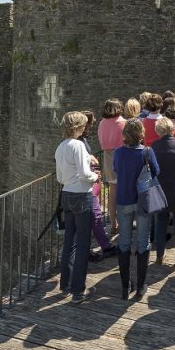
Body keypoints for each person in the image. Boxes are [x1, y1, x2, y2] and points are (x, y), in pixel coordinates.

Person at [55, 111, 98, 304]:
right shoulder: (78, 145)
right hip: (81, 195)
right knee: (82, 244)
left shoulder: (61, 147)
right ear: (78, 127)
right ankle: (78, 291)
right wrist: (96, 176)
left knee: (69, 242)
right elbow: (84, 174)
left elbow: (60, 177)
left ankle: (65, 284)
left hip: (67, 194)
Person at [113, 118, 159, 300]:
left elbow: (116, 170)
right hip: (142, 200)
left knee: (123, 242)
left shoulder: (118, 153)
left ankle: (125, 286)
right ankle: (140, 286)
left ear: (125, 134)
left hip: (124, 199)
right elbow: (156, 171)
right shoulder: (147, 152)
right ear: (141, 133)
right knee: (142, 242)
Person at [151, 117, 175, 266]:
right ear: (171, 129)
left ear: (158, 131)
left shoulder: (153, 147)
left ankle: (159, 256)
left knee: (161, 223)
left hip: (160, 190)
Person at [78, 111, 117, 261]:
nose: (92, 125)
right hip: (86, 184)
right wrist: (93, 173)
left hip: (88, 183)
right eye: (91, 123)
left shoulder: (81, 140)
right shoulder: (79, 142)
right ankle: (102, 248)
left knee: (93, 216)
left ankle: (99, 247)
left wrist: (90, 158)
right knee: (95, 215)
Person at [97, 98, 126, 235]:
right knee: (126, 190)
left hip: (108, 157)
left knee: (113, 192)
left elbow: (101, 141)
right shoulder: (123, 122)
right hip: (123, 156)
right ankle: (124, 221)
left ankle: (113, 223)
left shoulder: (102, 123)